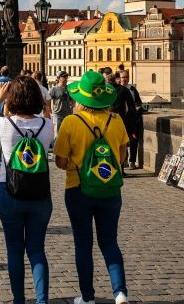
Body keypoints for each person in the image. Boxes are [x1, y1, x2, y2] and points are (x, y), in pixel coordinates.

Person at [53, 70, 129, 304]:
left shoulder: (70, 122)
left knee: (83, 244)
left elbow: (61, 163)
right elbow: (122, 158)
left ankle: (87, 297)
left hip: (78, 188)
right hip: (110, 189)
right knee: (110, 242)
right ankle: (120, 293)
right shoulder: (116, 120)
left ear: (80, 99)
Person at [0, 76, 54, 304]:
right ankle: (42, 300)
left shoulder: (4, 124)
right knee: (37, 250)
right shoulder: (47, 125)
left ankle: (19, 299)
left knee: (14, 250)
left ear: (12, 98)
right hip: (40, 193)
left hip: (9, 190)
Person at [117, 70, 143, 169]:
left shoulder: (132, 89)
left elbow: (138, 102)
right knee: (122, 142)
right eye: (123, 77)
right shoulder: (117, 89)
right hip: (121, 119)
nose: (125, 79)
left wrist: (138, 107)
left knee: (132, 141)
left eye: (126, 77)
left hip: (132, 120)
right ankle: (124, 161)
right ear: (119, 78)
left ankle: (132, 161)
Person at [50, 71, 73, 147]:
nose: (66, 79)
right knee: (57, 134)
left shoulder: (69, 89)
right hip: (57, 114)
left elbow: (72, 101)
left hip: (68, 114)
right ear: (59, 78)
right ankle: (55, 153)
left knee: (68, 134)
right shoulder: (54, 89)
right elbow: (48, 100)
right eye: (64, 77)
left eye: (66, 77)